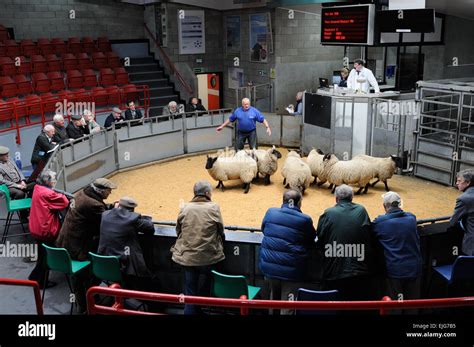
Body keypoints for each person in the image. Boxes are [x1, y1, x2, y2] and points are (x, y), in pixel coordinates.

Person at [55, 177, 117, 313]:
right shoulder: (94, 205)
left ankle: (83, 301)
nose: (110, 193)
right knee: (95, 269)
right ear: (101, 191)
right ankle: (86, 303)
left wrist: (110, 207)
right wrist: (117, 211)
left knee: (79, 276)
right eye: (109, 190)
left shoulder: (81, 193)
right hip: (77, 247)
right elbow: (107, 222)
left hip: (64, 242)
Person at [170, 180, 225, 315]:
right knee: (203, 287)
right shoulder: (214, 207)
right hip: (208, 257)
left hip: (187, 257)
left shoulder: (185, 208)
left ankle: (190, 311)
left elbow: (178, 230)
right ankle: (199, 308)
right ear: (207, 193)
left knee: (190, 290)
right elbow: (221, 231)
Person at [259, 189, 316, 314]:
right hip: (292, 273)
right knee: (288, 305)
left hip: (269, 269)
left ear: (283, 200)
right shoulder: (305, 220)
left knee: (272, 301)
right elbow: (311, 239)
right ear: (299, 202)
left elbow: (264, 229)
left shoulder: (270, 212)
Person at [316, 184, 375, 301]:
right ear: (352, 198)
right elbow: (369, 234)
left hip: (334, 271)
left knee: (334, 304)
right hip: (359, 271)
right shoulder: (361, 211)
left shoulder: (328, 213)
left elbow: (320, 238)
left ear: (336, 199)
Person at [372, 191, 422, 310]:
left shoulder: (380, 222)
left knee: (395, 304)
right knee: (412, 304)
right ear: (400, 205)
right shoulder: (411, 218)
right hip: (415, 267)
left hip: (396, 269)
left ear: (384, 206)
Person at [98, 196, 156, 291]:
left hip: (102, 261)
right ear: (132, 209)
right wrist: (145, 217)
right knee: (148, 276)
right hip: (122, 265)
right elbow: (149, 227)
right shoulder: (132, 219)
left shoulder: (105, 214)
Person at [28, 170, 70, 289]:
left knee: (42, 254)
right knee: (47, 256)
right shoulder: (48, 194)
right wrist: (61, 194)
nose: (55, 182)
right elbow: (64, 201)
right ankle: (39, 281)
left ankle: (35, 278)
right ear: (48, 182)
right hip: (45, 230)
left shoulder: (37, 188)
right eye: (53, 180)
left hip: (36, 227)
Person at [450, 169, 474, 256]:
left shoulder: (464, 199)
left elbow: (453, 221)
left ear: (468, 183)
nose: (457, 183)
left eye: (459, 181)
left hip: (471, 245)